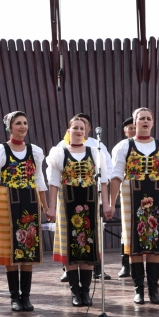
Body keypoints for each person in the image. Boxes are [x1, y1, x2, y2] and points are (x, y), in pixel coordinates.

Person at [109, 108, 159, 304]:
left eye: (149, 118)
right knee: (135, 245)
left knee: (154, 245)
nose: (145, 121)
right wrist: (109, 202)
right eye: (142, 119)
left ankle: (154, 289)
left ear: (153, 122)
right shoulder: (125, 146)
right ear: (135, 122)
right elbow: (116, 175)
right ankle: (139, 289)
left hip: (157, 195)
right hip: (132, 196)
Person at [46, 116, 112, 306]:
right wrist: (51, 207)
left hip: (90, 203)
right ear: (68, 131)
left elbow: (104, 180)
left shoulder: (95, 152)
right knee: (70, 247)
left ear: (86, 131)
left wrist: (106, 204)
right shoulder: (59, 153)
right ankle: (75, 292)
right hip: (68, 203)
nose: (78, 131)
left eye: (82, 128)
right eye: (75, 128)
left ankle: (85, 291)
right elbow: (53, 182)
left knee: (87, 247)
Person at [0, 112, 48, 312]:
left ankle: (26, 296)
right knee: (10, 248)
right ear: (9, 127)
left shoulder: (35, 151)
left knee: (28, 246)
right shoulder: (0, 151)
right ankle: (14, 297)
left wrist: (46, 207)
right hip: (6, 200)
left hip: (30, 200)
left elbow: (39, 180)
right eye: (18, 123)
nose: (23, 126)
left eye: (25, 123)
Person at [112, 116, 136, 278]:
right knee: (127, 230)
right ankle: (125, 265)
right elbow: (116, 171)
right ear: (125, 131)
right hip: (129, 191)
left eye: (135, 127)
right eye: (130, 128)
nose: (133, 130)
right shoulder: (121, 146)